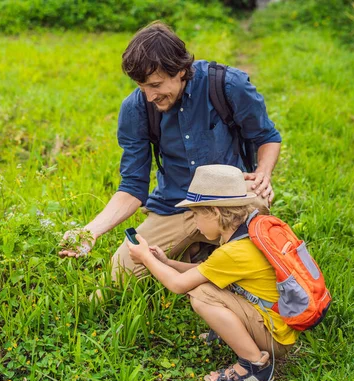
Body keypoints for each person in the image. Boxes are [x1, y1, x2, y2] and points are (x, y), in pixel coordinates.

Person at [59, 21, 281, 282]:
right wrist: (90, 232)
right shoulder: (136, 108)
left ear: (181, 70)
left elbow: (266, 137)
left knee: (258, 269)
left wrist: (263, 173)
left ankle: (204, 252)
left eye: (156, 84)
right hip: (174, 205)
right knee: (120, 273)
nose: (150, 95)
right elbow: (132, 186)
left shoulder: (227, 85)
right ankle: (198, 250)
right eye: (142, 86)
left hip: (230, 202)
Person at [126, 164, 299, 381]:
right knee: (207, 283)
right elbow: (207, 269)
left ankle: (254, 366)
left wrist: (146, 259)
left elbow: (178, 285)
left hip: (274, 337)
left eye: (196, 214)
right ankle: (234, 334)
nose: (195, 222)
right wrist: (166, 262)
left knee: (201, 293)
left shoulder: (233, 252)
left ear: (215, 213)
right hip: (276, 322)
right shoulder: (245, 233)